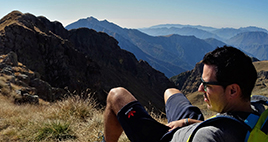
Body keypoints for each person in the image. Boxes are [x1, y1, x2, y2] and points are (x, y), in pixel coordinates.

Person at [103, 46, 259, 142]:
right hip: (193, 127)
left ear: (232, 90)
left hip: (164, 138)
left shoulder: (207, 137)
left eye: (207, 85)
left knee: (116, 95)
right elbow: (229, 128)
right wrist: (186, 122)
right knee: (170, 92)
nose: (199, 89)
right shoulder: (258, 110)